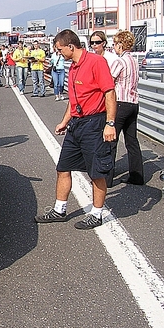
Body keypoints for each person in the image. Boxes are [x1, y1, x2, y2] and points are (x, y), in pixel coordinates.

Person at [35, 29, 117, 230]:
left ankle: (96, 214)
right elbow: (74, 100)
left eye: (60, 49)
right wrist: (64, 121)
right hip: (77, 124)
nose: (58, 53)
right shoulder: (72, 67)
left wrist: (110, 123)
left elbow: (110, 92)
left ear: (71, 46)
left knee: (96, 172)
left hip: (95, 123)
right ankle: (59, 209)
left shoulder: (96, 62)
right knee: (63, 167)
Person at [106, 30, 145, 187]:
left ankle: (106, 180)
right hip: (133, 103)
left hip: (120, 102)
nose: (114, 47)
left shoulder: (119, 61)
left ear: (120, 45)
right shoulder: (134, 61)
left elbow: (109, 81)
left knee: (111, 141)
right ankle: (137, 176)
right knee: (132, 141)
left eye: (115, 44)